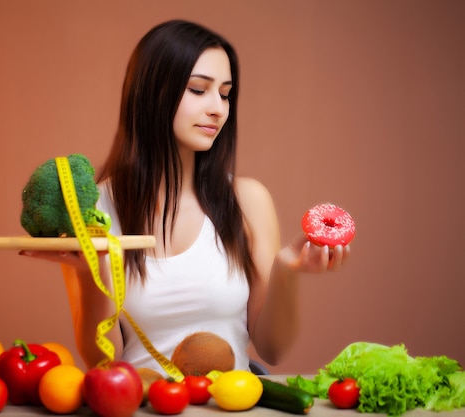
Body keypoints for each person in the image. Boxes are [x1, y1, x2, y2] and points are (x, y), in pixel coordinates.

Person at [21, 19, 350, 374]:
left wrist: (288, 268)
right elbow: (104, 362)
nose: (218, 109)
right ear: (152, 93)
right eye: (198, 90)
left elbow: (272, 349)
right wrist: (90, 275)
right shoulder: (95, 211)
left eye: (225, 93)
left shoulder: (248, 201)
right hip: (140, 407)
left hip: (231, 407)